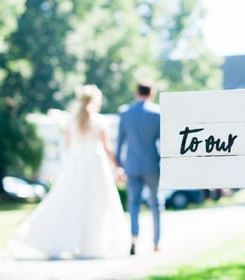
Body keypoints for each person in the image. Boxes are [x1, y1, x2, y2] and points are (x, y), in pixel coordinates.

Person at [9, 84, 130, 259]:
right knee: (97, 203)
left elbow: (67, 146)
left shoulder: (71, 122)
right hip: (95, 164)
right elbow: (107, 148)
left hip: (77, 165)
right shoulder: (100, 121)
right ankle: (93, 245)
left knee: (70, 201)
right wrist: (117, 167)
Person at [116, 81, 162, 255]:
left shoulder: (125, 113)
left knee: (133, 204)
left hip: (132, 165)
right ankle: (156, 242)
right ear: (152, 94)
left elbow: (119, 143)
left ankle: (134, 238)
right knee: (156, 203)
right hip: (152, 164)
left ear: (137, 93)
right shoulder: (157, 113)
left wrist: (119, 166)